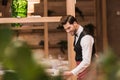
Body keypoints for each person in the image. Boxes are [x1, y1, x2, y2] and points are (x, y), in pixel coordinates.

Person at [59, 15, 96, 80]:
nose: (67, 31)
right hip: (82, 71)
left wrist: (71, 73)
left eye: (69, 28)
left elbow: (86, 61)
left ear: (75, 23)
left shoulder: (86, 37)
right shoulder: (77, 34)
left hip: (88, 72)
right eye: (65, 29)